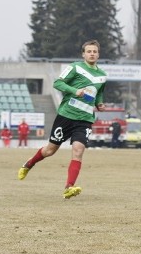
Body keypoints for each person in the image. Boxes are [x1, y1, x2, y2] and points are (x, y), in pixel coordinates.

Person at [18, 40, 107, 199]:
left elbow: (99, 92)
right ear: (83, 54)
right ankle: (29, 164)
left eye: (95, 51)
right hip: (66, 116)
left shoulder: (102, 76)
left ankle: (69, 187)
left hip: (85, 119)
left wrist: (99, 103)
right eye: (89, 51)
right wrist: (75, 91)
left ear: (98, 54)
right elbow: (58, 83)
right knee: (49, 151)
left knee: (78, 151)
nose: (92, 53)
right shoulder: (75, 67)